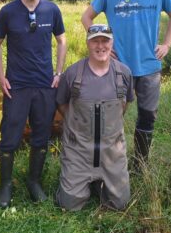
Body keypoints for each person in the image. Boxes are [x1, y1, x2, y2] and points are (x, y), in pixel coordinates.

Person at [81, 0, 171, 166]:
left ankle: (140, 164)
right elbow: (86, 17)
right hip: (118, 67)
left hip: (149, 66)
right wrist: (103, 46)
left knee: (147, 117)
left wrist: (167, 44)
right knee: (112, 118)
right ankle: (110, 163)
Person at [0, 0, 66, 208]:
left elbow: (62, 41)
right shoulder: (7, 12)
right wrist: (0, 75)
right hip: (17, 86)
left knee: (40, 137)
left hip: (45, 87)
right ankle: (5, 185)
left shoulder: (52, 10)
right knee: (9, 138)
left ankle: (34, 182)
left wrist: (58, 73)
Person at [55, 24, 134, 211]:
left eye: (105, 41)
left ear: (112, 43)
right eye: (95, 41)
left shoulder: (124, 73)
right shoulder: (72, 74)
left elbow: (125, 105)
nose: (100, 46)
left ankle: (100, 183)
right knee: (69, 205)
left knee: (120, 204)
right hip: (79, 152)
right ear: (87, 44)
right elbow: (61, 104)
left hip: (112, 153)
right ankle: (80, 182)